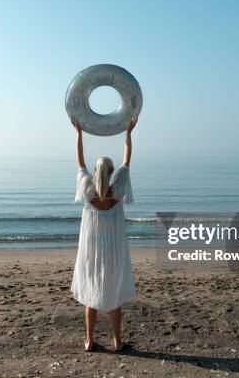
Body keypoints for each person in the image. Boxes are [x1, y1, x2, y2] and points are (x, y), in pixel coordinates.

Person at [70, 118, 138, 352]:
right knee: (114, 296)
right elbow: (126, 160)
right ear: (110, 173)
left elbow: (79, 161)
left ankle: (89, 341)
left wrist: (79, 133)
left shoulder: (88, 191)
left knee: (92, 294)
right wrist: (128, 133)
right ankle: (117, 341)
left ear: (96, 171)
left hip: (92, 250)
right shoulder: (117, 191)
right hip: (113, 251)